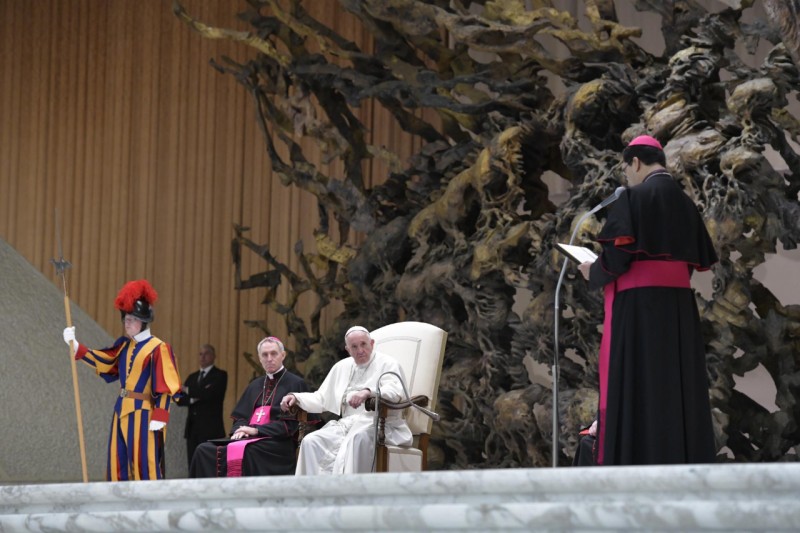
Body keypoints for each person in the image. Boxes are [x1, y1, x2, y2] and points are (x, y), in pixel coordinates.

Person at [577, 134, 718, 465]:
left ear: (635, 162)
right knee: (675, 389)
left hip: (639, 311)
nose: (627, 176)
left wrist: (591, 271)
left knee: (638, 387)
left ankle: (634, 463)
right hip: (679, 312)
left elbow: (614, 262)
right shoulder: (686, 204)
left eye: (626, 169)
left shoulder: (632, 197)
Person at [62, 279, 182, 481]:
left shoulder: (158, 347)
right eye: (126, 319)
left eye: (132, 319)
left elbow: (166, 385)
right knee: (119, 463)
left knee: (146, 464)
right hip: (121, 410)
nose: (127, 323)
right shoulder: (124, 346)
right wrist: (75, 346)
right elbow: (106, 361)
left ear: (143, 321)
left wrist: (161, 415)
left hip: (145, 412)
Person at [280, 326, 412, 475]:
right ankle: (313, 494)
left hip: (379, 424)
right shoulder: (341, 367)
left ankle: (353, 494)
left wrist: (368, 392)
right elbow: (322, 397)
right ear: (347, 349)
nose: (360, 350)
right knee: (312, 441)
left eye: (363, 344)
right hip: (347, 425)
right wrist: (296, 397)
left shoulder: (388, 364)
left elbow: (395, 392)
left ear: (372, 343)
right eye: (354, 347)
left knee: (356, 440)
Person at [189, 336, 310, 477]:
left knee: (249, 451)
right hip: (247, 438)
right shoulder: (255, 385)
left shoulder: (295, 383)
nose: (269, 358)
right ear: (260, 358)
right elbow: (240, 417)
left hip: (276, 443)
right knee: (203, 450)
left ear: (282, 355)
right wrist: (240, 430)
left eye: (274, 353)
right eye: (265, 355)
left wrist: (256, 431)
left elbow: (289, 426)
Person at [175, 344, 228, 470]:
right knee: (193, 465)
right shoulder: (192, 377)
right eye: (200, 354)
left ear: (214, 356)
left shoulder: (220, 375)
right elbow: (179, 399)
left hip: (211, 429)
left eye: (207, 353)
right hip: (193, 429)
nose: (203, 357)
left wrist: (188, 390)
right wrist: (193, 398)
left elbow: (209, 394)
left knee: (210, 466)